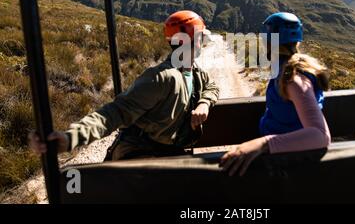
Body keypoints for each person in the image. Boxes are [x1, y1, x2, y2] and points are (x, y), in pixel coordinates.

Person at [29, 10, 219, 160]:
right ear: (194, 41)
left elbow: (212, 87)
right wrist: (71, 138)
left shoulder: (195, 72)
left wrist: (204, 103)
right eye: (202, 38)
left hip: (169, 151)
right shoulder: (161, 78)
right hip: (143, 153)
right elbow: (115, 112)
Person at [220, 12, 331, 176]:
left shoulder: (293, 79)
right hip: (283, 156)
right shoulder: (286, 67)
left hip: (286, 164)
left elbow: (320, 135)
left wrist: (263, 144)